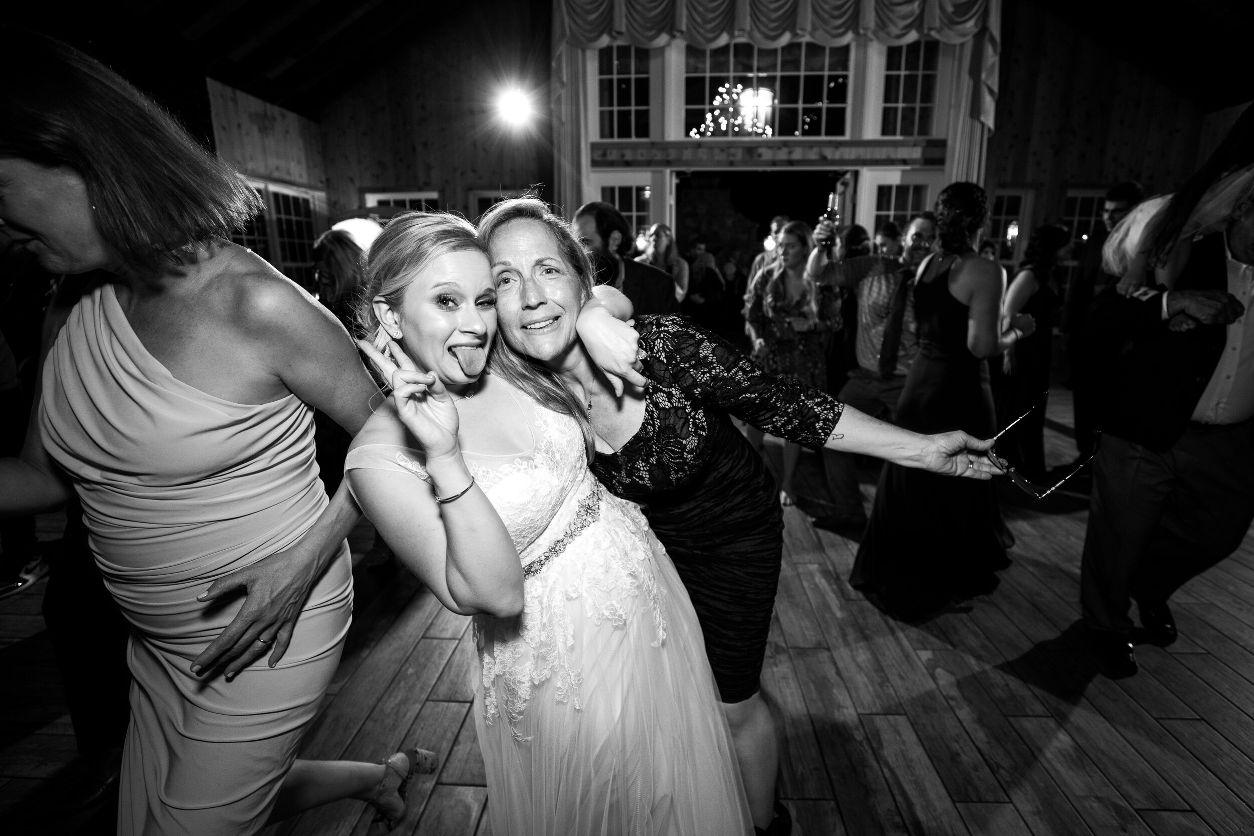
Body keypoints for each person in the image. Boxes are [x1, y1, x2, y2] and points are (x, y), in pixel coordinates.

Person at [0, 31, 424, 832]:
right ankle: (378, 777)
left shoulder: (253, 303)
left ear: (76, 156)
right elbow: (45, 477)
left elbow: (401, 433)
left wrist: (303, 564)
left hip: (273, 625)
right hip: (156, 638)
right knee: (158, 811)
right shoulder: (71, 303)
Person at [477, 196, 1000, 834]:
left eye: (548, 270)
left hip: (735, 536)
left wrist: (921, 450)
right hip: (642, 552)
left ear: (580, 277)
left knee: (731, 701)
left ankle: (764, 823)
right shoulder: (526, 397)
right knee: (675, 692)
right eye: (507, 279)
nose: (532, 295)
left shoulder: (660, 348)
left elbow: (787, 405)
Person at [347, 211, 755, 835]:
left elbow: (589, 297)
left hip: (645, 592)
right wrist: (445, 455)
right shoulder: (380, 459)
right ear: (390, 316)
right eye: (447, 301)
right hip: (558, 659)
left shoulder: (507, 360)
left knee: (680, 791)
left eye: (485, 299)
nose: (476, 324)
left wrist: (595, 316)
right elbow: (495, 595)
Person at [1079, 112, 1254, 678]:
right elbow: (1103, 319)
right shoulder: (1178, 237)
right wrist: (1171, 303)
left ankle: (1149, 585)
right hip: (1145, 425)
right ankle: (1104, 627)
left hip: (1231, 440)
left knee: (1219, 533)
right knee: (1117, 536)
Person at [851, 182, 1032, 622]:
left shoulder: (927, 264)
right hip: (958, 387)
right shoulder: (984, 270)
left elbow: (927, 329)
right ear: (982, 220)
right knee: (955, 478)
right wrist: (1018, 331)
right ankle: (939, 576)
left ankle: (893, 566)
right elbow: (981, 346)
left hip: (920, 382)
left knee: (913, 474)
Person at [805, 212, 939, 531]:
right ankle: (849, 511)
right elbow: (819, 273)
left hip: (908, 383)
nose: (922, 243)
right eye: (917, 235)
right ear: (904, 238)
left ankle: (911, 523)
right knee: (832, 434)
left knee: (915, 454)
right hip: (865, 378)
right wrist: (821, 245)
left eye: (929, 237)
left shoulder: (936, 282)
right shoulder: (872, 266)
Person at [742, 220, 832, 505]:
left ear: (805, 247)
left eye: (790, 246)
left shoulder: (821, 280)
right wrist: (757, 338)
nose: (783, 251)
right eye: (780, 245)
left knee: (795, 424)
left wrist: (812, 324)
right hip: (769, 356)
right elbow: (751, 316)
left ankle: (789, 482)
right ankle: (749, 476)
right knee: (757, 417)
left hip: (804, 361)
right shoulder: (767, 276)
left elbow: (836, 321)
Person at [1065, 181, 1144, 461]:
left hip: (1118, 341)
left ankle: (1102, 460)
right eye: (1106, 211)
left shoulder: (1142, 245)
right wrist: (1069, 329)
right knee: (1084, 401)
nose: (1109, 217)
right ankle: (1084, 456)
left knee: (1109, 405)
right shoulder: (1096, 240)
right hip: (1086, 335)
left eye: (1117, 211)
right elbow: (1080, 285)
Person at [992, 224, 1070, 483]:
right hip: (1023, 351)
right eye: (1064, 245)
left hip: (1040, 350)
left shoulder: (1049, 274)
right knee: (1020, 408)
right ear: (1052, 248)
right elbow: (1007, 313)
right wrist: (1008, 353)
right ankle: (1013, 468)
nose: (1069, 250)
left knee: (1035, 409)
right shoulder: (1028, 276)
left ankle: (1029, 469)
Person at [573, 201, 678, 315]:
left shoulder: (659, 285)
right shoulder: (573, 286)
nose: (577, 252)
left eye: (585, 242)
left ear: (615, 240)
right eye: (575, 244)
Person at [636, 222, 690, 303]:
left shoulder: (681, 264)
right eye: (651, 235)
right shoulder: (640, 263)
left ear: (668, 240)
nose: (653, 238)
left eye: (658, 235)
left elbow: (680, 296)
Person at [747, 215, 790, 284]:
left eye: (784, 231)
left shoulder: (795, 259)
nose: (781, 235)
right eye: (776, 232)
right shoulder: (761, 260)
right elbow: (750, 288)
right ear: (771, 234)